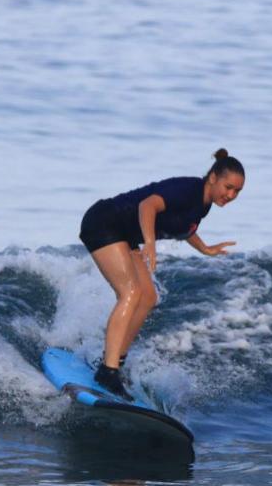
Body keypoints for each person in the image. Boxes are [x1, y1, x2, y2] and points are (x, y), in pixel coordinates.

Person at [79, 149, 244, 400]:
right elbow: (148, 206)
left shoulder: (203, 205)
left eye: (237, 192)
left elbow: (184, 227)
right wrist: (150, 243)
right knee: (130, 293)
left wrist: (205, 249)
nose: (231, 195)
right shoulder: (188, 189)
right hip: (104, 222)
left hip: (125, 234)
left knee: (147, 298)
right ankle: (107, 371)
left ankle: (114, 363)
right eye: (228, 187)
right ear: (213, 178)